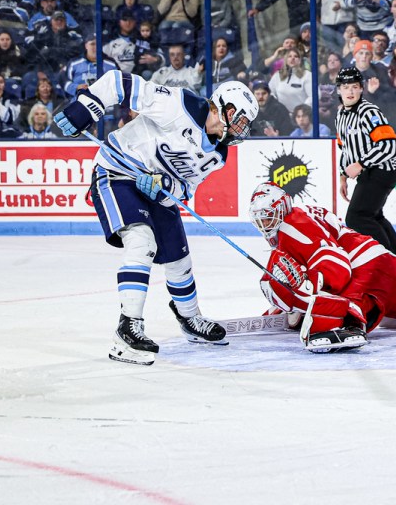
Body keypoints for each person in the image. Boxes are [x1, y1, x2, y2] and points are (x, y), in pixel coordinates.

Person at [54, 74, 259, 365]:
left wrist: (165, 186)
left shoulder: (218, 154)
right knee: (141, 241)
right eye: (240, 120)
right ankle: (128, 329)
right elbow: (118, 83)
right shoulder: (179, 105)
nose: (242, 130)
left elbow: (185, 188)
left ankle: (190, 319)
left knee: (179, 258)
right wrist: (86, 107)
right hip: (117, 173)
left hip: (153, 192)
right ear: (224, 108)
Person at [247, 182, 396, 352]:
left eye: (268, 217)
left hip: (366, 269)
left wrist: (305, 291)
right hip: (379, 262)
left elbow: (337, 267)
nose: (265, 225)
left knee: (341, 309)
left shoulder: (293, 226)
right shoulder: (301, 216)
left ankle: (346, 326)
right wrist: (284, 306)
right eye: (260, 220)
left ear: (282, 207)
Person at [334, 67, 396, 274]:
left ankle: (391, 266)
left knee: (356, 217)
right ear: (339, 90)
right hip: (370, 173)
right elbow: (344, 148)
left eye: (354, 87)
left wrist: (361, 164)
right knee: (374, 216)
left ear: (361, 88)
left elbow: (389, 145)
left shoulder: (369, 112)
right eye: (345, 87)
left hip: (382, 171)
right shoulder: (340, 115)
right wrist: (343, 175)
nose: (350, 91)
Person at [269, 47, 313, 113]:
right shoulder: (277, 75)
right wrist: (277, 106)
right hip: (282, 114)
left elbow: (314, 96)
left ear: (300, 60)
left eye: (296, 56)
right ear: (286, 59)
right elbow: (270, 92)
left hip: (302, 116)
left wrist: (301, 111)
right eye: (289, 56)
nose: (292, 58)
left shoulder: (307, 75)